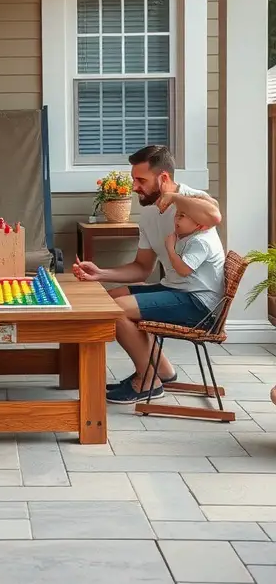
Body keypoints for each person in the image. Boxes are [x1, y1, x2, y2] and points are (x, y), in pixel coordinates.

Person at [73, 145, 224, 405]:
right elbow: (142, 267)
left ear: (163, 178)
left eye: (141, 180)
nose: (134, 187)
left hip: (200, 303)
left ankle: (148, 381)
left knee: (116, 311)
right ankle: (162, 370)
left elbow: (214, 215)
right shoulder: (149, 214)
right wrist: (101, 273)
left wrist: (175, 198)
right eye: (133, 179)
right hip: (175, 290)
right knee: (107, 301)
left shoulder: (192, 200)